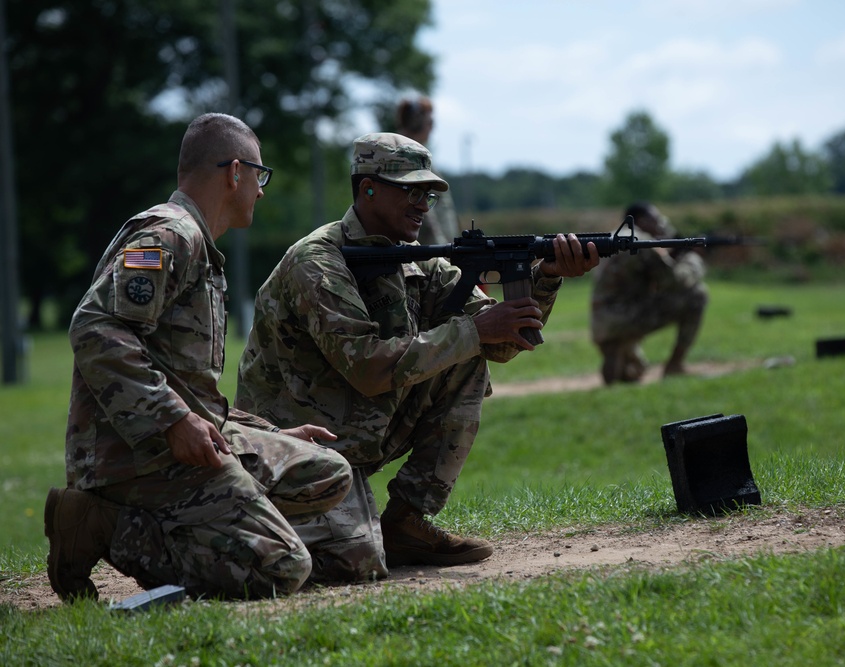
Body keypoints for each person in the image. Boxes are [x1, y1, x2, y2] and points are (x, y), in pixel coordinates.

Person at [234, 132, 599, 580]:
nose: (423, 203)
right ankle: (266, 512)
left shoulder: (420, 261)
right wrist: (473, 330)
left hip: (361, 432)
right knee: (357, 564)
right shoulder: (318, 262)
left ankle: (406, 521)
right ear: (367, 188)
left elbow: (500, 342)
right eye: (410, 190)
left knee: (469, 352)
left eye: (428, 192)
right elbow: (367, 367)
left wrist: (547, 277)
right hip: (297, 447)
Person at [45, 113, 354, 602]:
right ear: (235, 172)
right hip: (137, 457)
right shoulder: (170, 236)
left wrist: (266, 434)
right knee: (282, 567)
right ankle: (101, 525)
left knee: (325, 470)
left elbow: (187, 383)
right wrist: (171, 421)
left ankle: (204, 529)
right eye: (260, 174)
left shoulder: (197, 244)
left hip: (176, 442)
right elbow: (96, 326)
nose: (262, 189)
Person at [590, 202, 708, 384]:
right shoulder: (642, 242)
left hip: (601, 321)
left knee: (633, 373)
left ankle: (622, 350)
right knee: (697, 295)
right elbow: (675, 282)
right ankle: (674, 365)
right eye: (655, 219)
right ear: (642, 221)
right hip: (626, 318)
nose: (660, 223)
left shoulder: (615, 236)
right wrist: (693, 259)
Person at [395, 95, 461, 245]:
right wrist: (444, 255)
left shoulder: (408, 157)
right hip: (430, 256)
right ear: (417, 123)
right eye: (430, 122)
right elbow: (429, 220)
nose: (432, 128)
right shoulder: (411, 161)